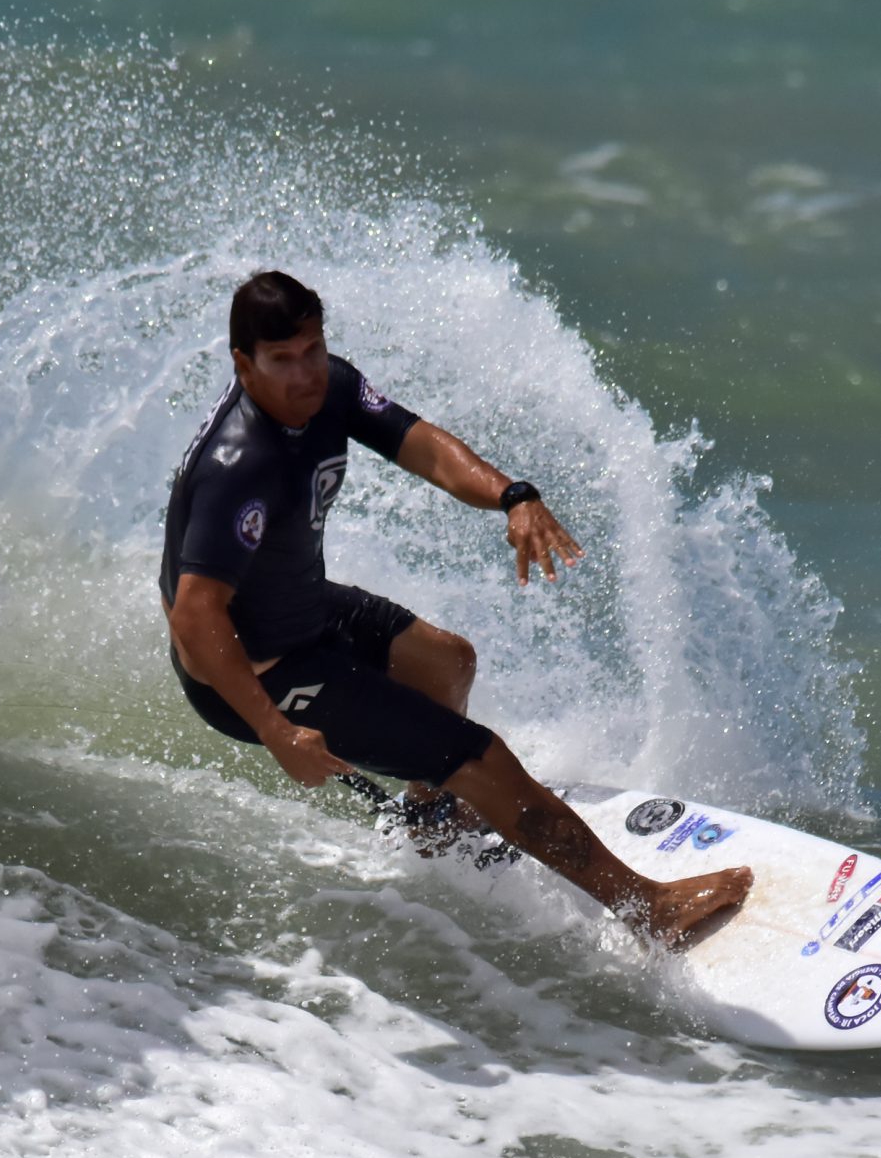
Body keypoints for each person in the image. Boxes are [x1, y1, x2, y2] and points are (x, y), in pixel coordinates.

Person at [160, 270, 751, 946]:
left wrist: (513, 496)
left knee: (445, 662)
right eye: (282, 360)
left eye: (313, 349)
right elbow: (194, 618)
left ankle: (432, 817)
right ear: (245, 365)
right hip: (255, 668)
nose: (306, 373)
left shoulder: (330, 389)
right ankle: (649, 909)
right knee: (481, 756)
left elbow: (421, 444)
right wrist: (273, 730)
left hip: (298, 606)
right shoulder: (239, 467)